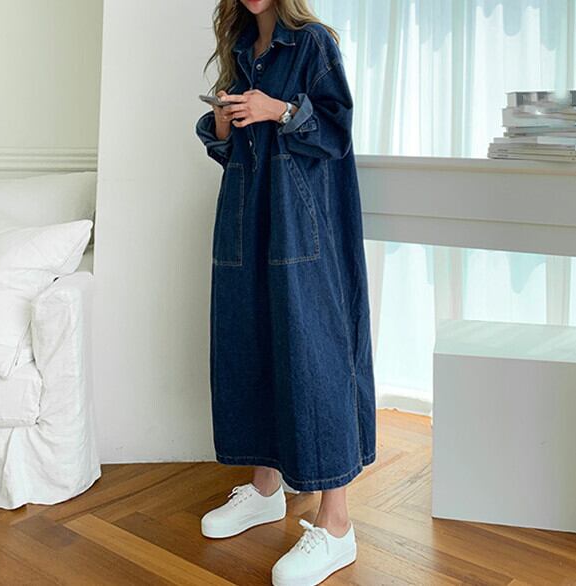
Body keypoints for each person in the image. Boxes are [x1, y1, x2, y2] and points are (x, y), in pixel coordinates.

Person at [195, 1, 377, 584]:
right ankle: (266, 488)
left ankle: (337, 525)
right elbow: (230, 152)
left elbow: (336, 132)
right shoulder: (240, 49)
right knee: (249, 346)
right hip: (245, 223)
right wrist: (223, 123)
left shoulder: (313, 43)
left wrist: (279, 109)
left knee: (314, 357)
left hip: (303, 227)